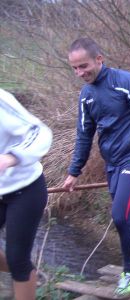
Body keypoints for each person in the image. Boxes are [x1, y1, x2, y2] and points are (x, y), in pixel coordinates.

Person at [62, 38, 130, 296]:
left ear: (99, 59)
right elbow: (84, 135)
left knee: (120, 214)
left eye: (84, 66)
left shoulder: (126, 82)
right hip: (112, 161)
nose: (80, 73)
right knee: (129, 213)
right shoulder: (86, 95)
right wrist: (73, 172)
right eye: (75, 68)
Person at [0, 89, 52, 300]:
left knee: (17, 257)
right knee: (17, 265)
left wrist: (12, 157)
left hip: (25, 189)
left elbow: (39, 132)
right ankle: (26, 276)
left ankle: (23, 275)